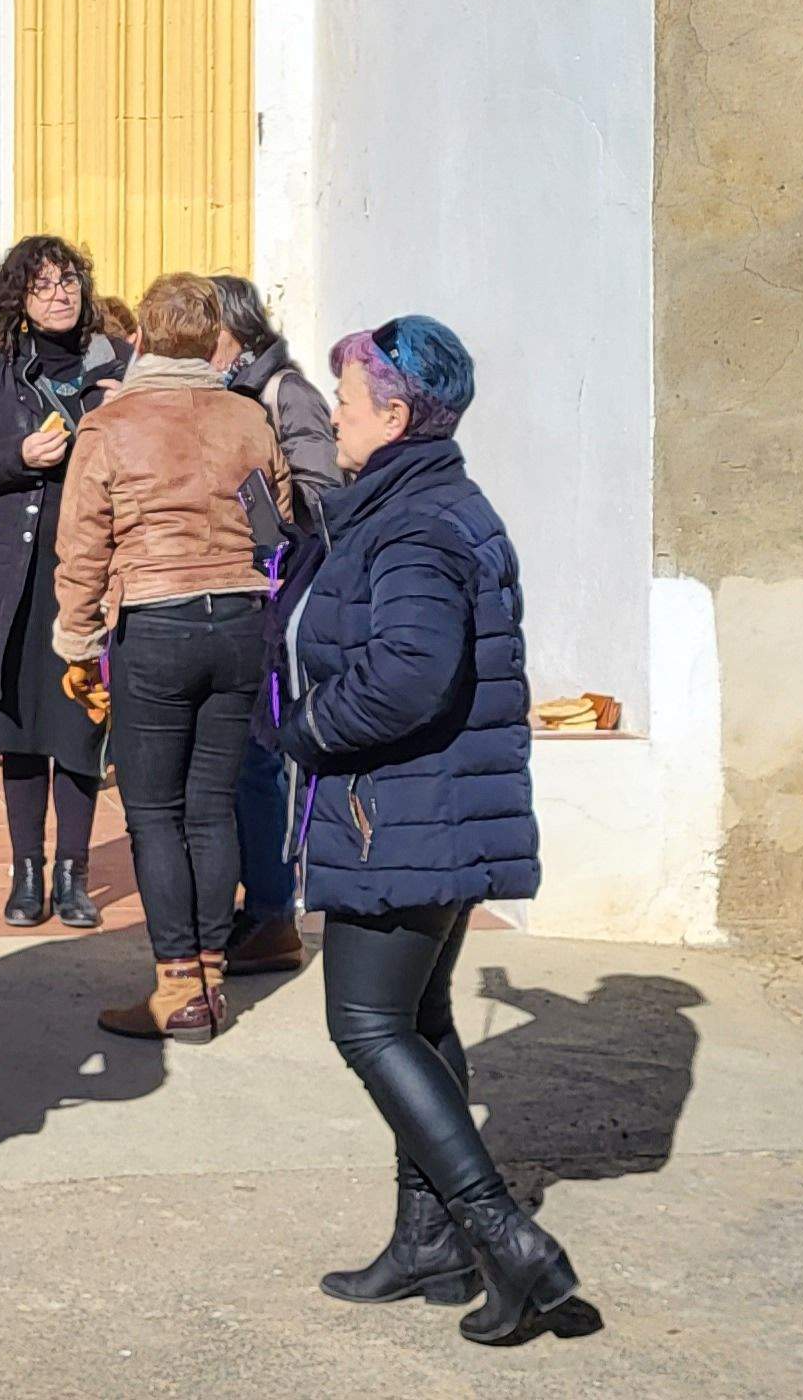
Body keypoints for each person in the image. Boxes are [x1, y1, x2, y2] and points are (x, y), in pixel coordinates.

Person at [281, 315, 589, 1346]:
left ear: (396, 414)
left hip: (402, 812)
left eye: (348, 403)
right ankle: (427, 1243)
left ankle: (508, 1242)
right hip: (428, 810)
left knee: (366, 1026)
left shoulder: (416, 522)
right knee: (418, 1021)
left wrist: (305, 731)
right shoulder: (413, 504)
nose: (334, 417)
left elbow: (410, 673)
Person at [51, 273, 291, 1042]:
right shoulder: (247, 416)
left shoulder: (112, 422)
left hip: (155, 617)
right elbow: (278, 518)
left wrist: (76, 643)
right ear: (214, 336)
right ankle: (214, 980)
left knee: (155, 813)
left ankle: (177, 985)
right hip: (239, 617)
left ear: (144, 339)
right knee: (212, 804)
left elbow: (82, 545)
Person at [0, 237, 122, 929]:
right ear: (19, 296)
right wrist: (18, 456)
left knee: (80, 721)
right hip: (10, 576)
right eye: (42, 285)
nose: (59, 295)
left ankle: (74, 873)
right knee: (16, 726)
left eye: (69, 282)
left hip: (87, 573)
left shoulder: (115, 368)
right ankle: (27, 871)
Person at [209, 274, 341, 975]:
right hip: (239, 595)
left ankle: (272, 913)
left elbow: (325, 500)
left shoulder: (286, 393)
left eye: (212, 331)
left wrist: (264, 506)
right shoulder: (224, 396)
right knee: (234, 764)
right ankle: (254, 903)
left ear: (238, 330)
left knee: (262, 761)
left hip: (282, 597)